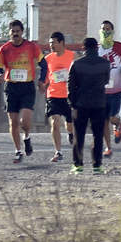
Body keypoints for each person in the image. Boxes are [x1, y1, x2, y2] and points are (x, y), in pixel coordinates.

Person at [0, 19, 43, 164]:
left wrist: (42, 80)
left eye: (18, 31)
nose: (15, 34)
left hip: (27, 87)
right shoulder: (4, 49)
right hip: (11, 87)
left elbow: (44, 64)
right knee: (14, 122)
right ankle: (18, 151)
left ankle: (27, 137)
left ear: (22, 32)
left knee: (24, 121)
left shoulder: (31, 47)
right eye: (13, 31)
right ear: (9, 33)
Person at [67, 38, 111, 175]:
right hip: (99, 103)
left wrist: (72, 103)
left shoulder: (76, 64)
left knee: (79, 135)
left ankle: (78, 165)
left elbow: (71, 86)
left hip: (81, 104)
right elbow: (106, 81)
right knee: (98, 135)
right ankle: (97, 165)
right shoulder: (105, 64)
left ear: (83, 48)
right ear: (97, 47)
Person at [42, 33, 75, 163]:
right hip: (53, 95)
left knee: (70, 124)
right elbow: (45, 77)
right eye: (50, 43)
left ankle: (70, 133)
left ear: (61, 43)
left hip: (69, 95)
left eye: (54, 43)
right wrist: (42, 84)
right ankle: (58, 152)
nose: (51, 46)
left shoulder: (72, 56)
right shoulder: (47, 59)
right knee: (55, 122)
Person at [99, 21, 121, 157]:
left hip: (116, 88)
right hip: (101, 90)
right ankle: (108, 148)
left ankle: (117, 125)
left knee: (112, 118)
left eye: (108, 29)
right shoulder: (97, 49)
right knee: (103, 121)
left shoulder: (119, 47)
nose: (106, 31)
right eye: (103, 29)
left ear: (112, 31)